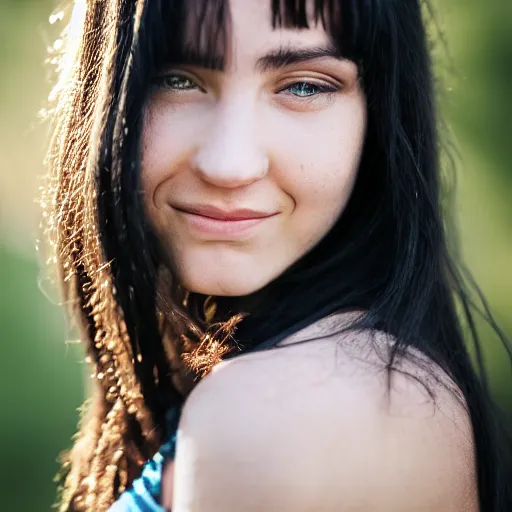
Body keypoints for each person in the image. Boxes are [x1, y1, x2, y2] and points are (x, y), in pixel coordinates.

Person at [42, 0, 512, 510]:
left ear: (377, 115)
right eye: (175, 78)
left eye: (304, 86)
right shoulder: (372, 381)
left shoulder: (282, 412)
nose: (229, 164)